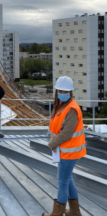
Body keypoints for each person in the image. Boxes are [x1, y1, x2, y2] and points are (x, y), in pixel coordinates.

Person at [42, 76, 86, 216]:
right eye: (60, 90)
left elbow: (67, 133)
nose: (63, 93)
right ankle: (74, 212)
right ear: (57, 91)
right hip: (64, 150)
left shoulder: (72, 109)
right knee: (67, 180)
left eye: (65, 91)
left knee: (62, 182)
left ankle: (57, 214)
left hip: (69, 151)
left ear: (70, 93)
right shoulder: (62, 106)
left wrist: (52, 143)